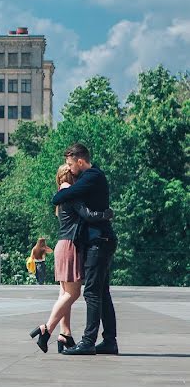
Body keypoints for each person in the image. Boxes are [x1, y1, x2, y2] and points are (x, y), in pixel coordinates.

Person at [30, 164, 113, 353]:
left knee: (64, 292)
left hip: (63, 245)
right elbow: (86, 214)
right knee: (73, 294)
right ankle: (47, 329)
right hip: (69, 246)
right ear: (69, 175)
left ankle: (64, 333)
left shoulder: (63, 193)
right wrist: (105, 214)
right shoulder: (70, 192)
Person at [54, 143, 119, 356]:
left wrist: (64, 190)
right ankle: (109, 341)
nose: (70, 169)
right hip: (102, 239)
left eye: (71, 164)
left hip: (98, 241)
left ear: (80, 161)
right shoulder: (90, 177)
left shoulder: (91, 176)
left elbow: (59, 198)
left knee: (92, 292)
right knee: (102, 292)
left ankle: (88, 341)